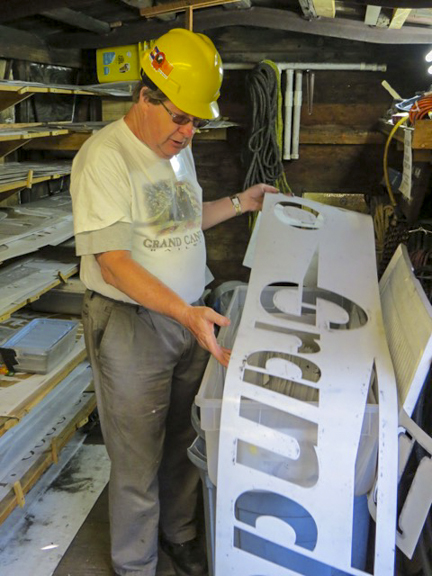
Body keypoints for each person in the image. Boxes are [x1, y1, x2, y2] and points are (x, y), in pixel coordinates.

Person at [70, 28, 277, 576]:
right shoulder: (105, 158)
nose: (188, 132)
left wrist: (241, 201)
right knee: (136, 456)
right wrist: (185, 313)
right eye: (180, 117)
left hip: (189, 316)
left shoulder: (176, 150)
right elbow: (113, 261)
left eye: (197, 122)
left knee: (186, 435)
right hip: (133, 324)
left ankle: (178, 532)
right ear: (145, 97)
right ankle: (135, 564)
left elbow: (181, 219)